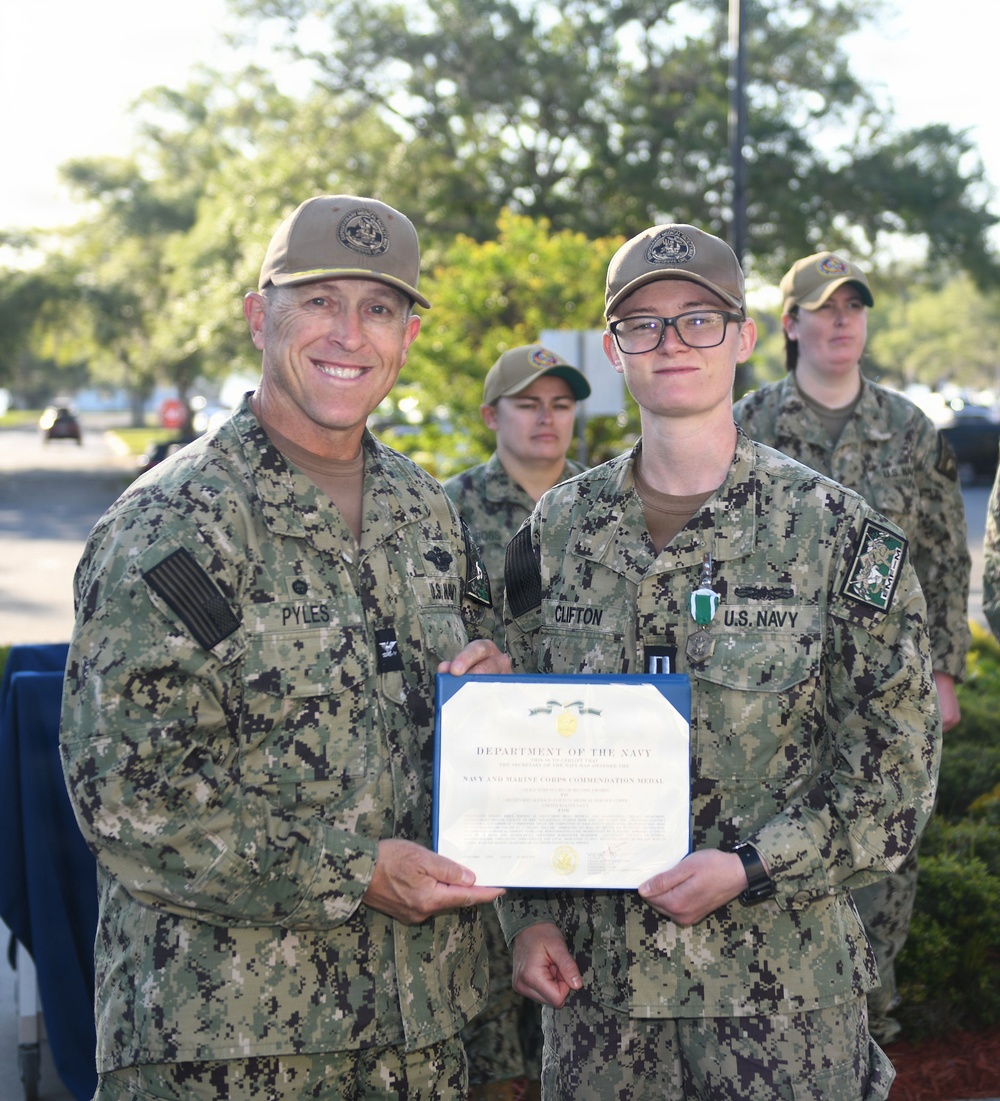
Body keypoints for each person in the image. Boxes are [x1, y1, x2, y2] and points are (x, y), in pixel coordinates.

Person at [59, 194, 509, 1101]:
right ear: (260, 315)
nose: (350, 333)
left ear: (407, 336)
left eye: (378, 308)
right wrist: (355, 871)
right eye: (319, 301)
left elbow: (436, 720)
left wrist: (491, 698)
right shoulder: (172, 525)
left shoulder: (426, 513)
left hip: (419, 1039)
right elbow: (129, 798)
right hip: (229, 1047)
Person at [496, 223, 941, 1100]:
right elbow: (515, 742)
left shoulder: (835, 530)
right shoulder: (558, 532)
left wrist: (753, 863)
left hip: (783, 1011)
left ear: (743, 337)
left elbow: (895, 775)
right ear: (615, 349)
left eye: (698, 319)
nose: (671, 343)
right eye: (644, 324)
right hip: (601, 1013)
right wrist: (530, 914)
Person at [733, 251, 971, 1045]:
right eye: (824, 307)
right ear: (791, 324)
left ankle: (869, 1030)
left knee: (883, 865)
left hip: (885, 682)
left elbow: (942, 550)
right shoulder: (747, 422)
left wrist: (943, 670)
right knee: (772, 851)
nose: (842, 319)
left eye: (854, 306)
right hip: (772, 685)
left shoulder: (909, 427)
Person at [444, 345, 591, 1101]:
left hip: (584, 771)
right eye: (528, 403)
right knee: (492, 1021)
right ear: (490, 415)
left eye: (560, 404)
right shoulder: (447, 511)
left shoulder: (604, 509)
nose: (546, 417)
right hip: (488, 778)